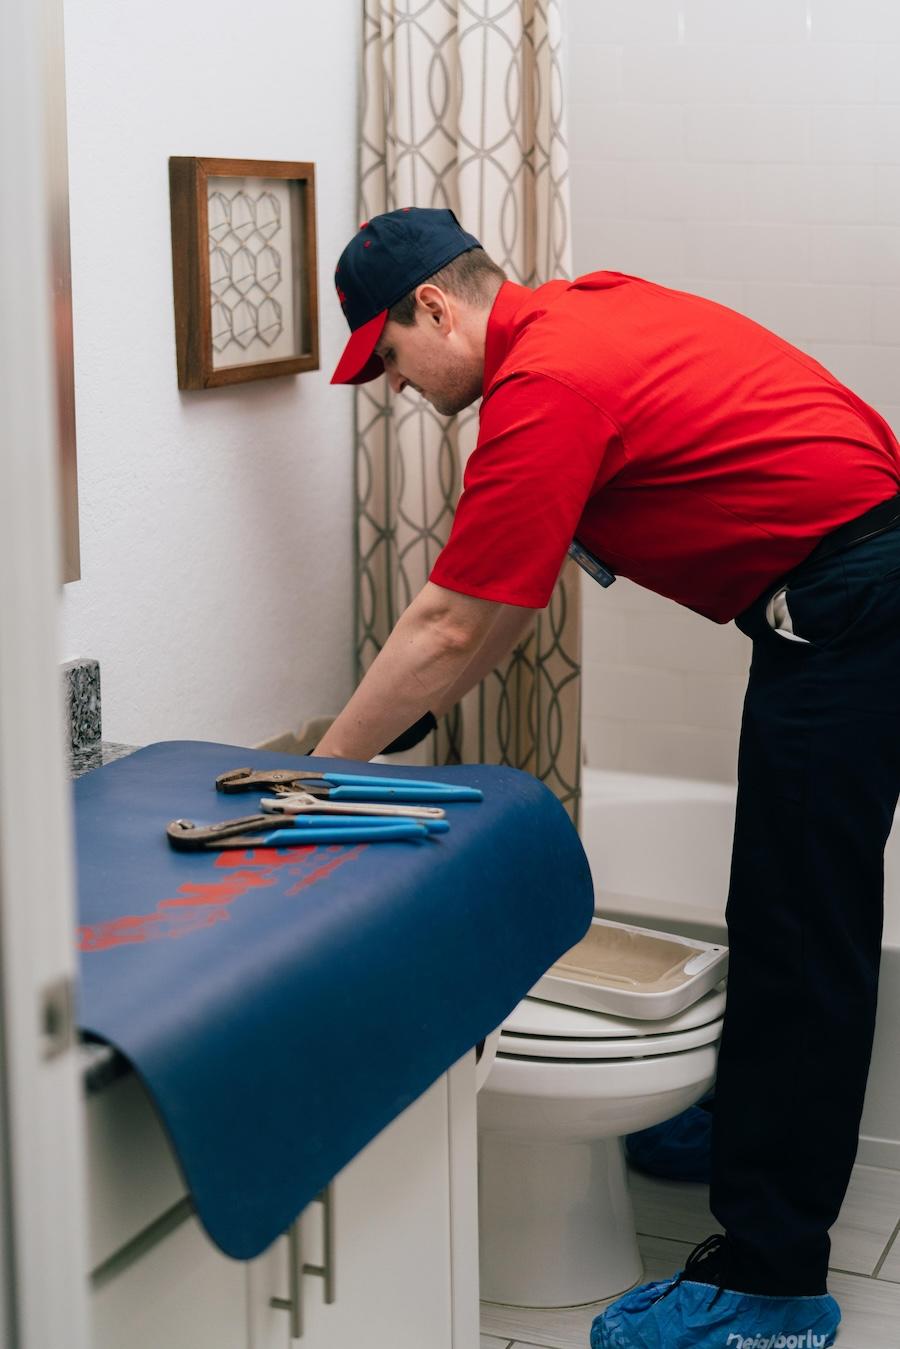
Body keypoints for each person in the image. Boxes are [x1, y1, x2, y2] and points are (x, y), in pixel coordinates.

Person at [314, 206, 900, 1349]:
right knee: (781, 906)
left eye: (387, 356)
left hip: (854, 608)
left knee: (801, 929)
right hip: (852, 591)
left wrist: (321, 773)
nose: (394, 385)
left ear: (434, 305)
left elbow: (446, 622)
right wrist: (387, 731)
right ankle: (750, 1132)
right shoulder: (589, 310)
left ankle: (773, 1281)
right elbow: (486, 619)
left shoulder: (548, 385)